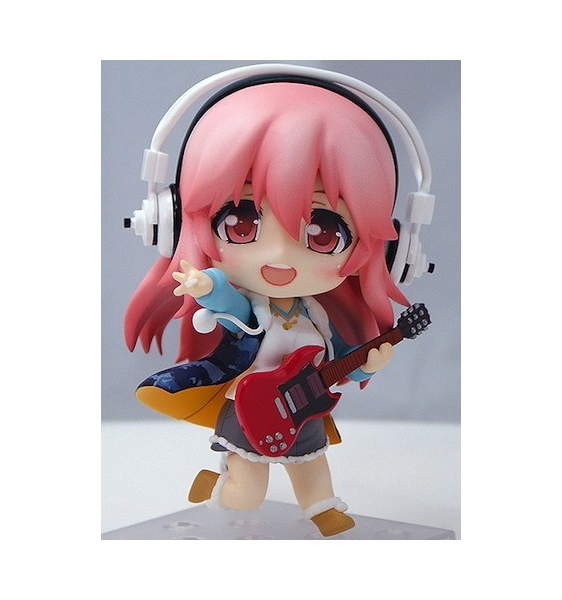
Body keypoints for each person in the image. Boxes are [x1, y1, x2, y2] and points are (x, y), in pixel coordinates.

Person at [125, 79, 409, 536]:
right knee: (247, 493)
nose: (278, 255)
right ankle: (219, 485)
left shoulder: (319, 318)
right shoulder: (255, 309)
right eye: (241, 223)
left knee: (312, 465)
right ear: (170, 223)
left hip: (305, 406)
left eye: (323, 233)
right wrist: (207, 286)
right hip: (251, 405)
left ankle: (322, 509)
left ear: (393, 251)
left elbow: (338, 360)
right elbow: (231, 307)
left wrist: (366, 365)